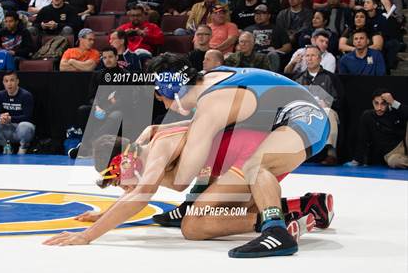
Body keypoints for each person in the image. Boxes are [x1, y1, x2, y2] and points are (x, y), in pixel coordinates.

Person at [139, 53, 329, 258]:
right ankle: (297, 209)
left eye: (161, 98)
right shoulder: (208, 81)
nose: (166, 107)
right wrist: (160, 128)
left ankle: (276, 231)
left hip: (305, 118)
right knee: (196, 223)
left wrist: (143, 174)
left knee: (256, 165)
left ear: (171, 89)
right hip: (288, 118)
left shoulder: (211, 104)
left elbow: (180, 180)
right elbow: (203, 125)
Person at [45, 127, 333, 246]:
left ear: (123, 163)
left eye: (116, 180)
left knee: (193, 225)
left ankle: (278, 223)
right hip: (246, 157)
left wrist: (87, 236)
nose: (121, 187)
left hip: (250, 158)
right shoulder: (149, 145)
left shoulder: (157, 150)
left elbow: (139, 197)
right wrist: (106, 215)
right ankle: (304, 208)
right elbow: (135, 193)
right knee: (223, 215)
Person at [69, 46, 128, 158]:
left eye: (110, 57)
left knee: (116, 115)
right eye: (104, 58)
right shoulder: (97, 75)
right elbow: (91, 96)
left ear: (116, 57)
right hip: (100, 108)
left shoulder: (125, 75)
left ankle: (88, 145)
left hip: (117, 109)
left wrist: (106, 110)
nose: (108, 60)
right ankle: (86, 144)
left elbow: (124, 100)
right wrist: (96, 107)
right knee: (83, 110)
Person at [293, 45, 343, 165]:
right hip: (304, 112)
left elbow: (340, 101)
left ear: (320, 59)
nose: (309, 59)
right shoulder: (298, 78)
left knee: (328, 112)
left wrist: (328, 103)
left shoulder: (331, 77)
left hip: (326, 111)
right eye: (307, 56)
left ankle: (331, 153)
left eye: (313, 56)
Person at [347, 89, 408, 168]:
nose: (379, 107)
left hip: (404, 144)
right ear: (372, 103)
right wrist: (356, 160)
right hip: (393, 153)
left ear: (388, 104)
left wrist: (393, 102)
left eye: (383, 104)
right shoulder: (368, 116)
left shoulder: (395, 111)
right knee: (393, 162)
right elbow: (362, 138)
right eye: (376, 103)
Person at [0, 71, 35, 154]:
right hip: (6, 127)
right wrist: (0, 117)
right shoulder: (0, 94)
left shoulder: (26, 95)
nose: (9, 84)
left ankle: (23, 146)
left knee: (26, 126)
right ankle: (6, 145)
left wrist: (10, 119)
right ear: (3, 83)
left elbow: (28, 117)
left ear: (17, 81)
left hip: (19, 129)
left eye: (12, 80)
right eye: (6, 81)